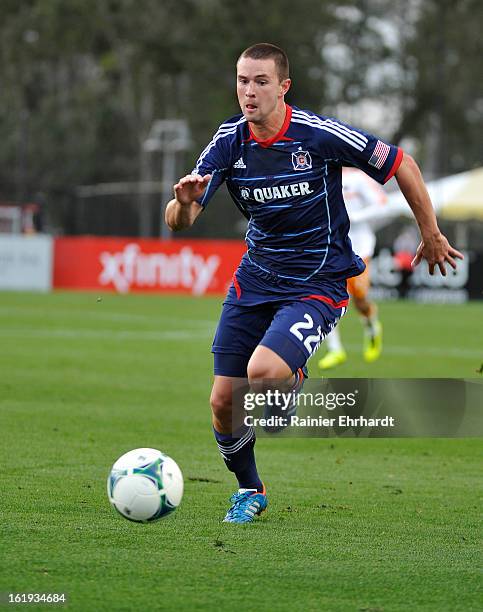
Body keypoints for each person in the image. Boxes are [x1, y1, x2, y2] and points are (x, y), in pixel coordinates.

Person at [165, 43, 463, 524]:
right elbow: (180, 220)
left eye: (261, 81)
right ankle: (250, 490)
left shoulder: (316, 135)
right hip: (255, 280)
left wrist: (429, 232)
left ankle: (290, 378)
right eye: (242, 81)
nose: (249, 91)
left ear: (284, 87)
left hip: (318, 281)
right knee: (223, 401)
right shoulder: (227, 142)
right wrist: (182, 202)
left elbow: (402, 164)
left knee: (262, 374)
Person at [318, 167, 387, 369]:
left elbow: (382, 204)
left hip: (360, 245)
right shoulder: (320, 172)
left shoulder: (358, 178)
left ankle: (372, 327)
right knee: (327, 296)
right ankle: (335, 349)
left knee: (359, 295)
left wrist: (355, 216)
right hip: (331, 245)